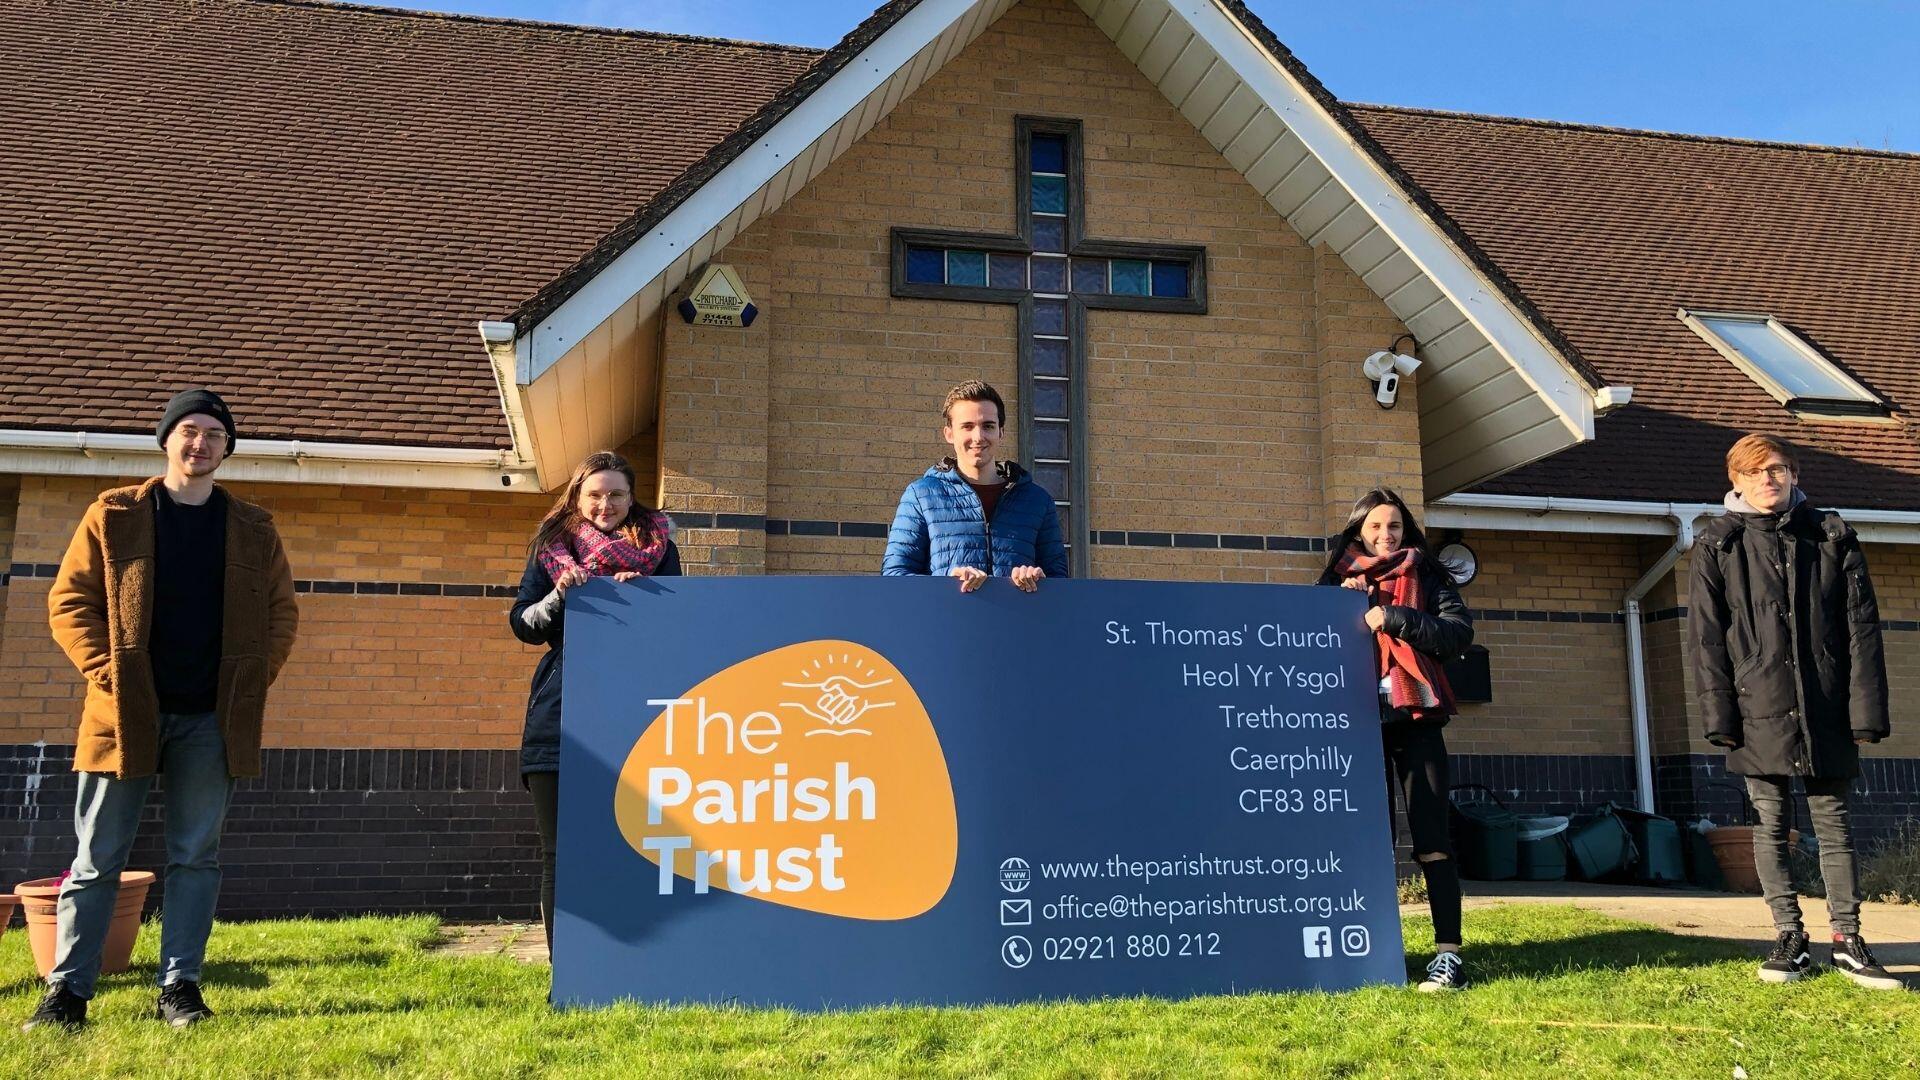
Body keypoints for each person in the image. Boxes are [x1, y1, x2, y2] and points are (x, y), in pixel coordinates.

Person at [25, 389, 298, 1032]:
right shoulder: (114, 513)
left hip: (212, 721)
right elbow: (70, 602)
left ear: (227, 448)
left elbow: (281, 614)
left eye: (213, 434)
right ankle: (67, 993)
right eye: (189, 430)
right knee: (97, 858)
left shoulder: (254, 527)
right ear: (167, 440)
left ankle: (180, 986)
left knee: (196, 857)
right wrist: (109, 674)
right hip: (122, 715)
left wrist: (252, 682)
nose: (200, 442)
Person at [1690, 434, 1899, 989]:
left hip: (1827, 705)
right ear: (1736, 480)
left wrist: (1866, 713)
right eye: (1755, 472)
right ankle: (1789, 937)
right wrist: (1719, 719)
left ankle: (1848, 939)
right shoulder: (1717, 544)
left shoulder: (1832, 536)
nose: (1768, 480)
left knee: (1834, 825)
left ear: (1794, 474)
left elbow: (1862, 630)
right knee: (1770, 824)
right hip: (1755, 706)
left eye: (1778, 469)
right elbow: (1707, 641)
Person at [509, 451, 680, 951]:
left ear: (632, 497)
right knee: (560, 854)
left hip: (634, 714)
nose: (606, 505)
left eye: (616, 494)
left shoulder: (659, 547)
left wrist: (647, 596)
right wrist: (560, 594)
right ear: (578, 498)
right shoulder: (551, 546)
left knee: (628, 849)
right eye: (595, 495)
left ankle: (623, 965)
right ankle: (565, 972)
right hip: (560, 714)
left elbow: (680, 622)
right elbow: (523, 623)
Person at [1318, 488, 1473, 991]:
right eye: (1376, 526)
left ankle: (1448, 956)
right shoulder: (1337, 579)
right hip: (1355, 724)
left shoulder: (1426, 575)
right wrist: (1340, 608)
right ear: (1358, 531)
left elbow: (1457, 634)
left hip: (1416, 718)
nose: (1386, 535)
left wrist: (1394, 618)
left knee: (1432, 840)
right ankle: (1375, 956)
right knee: (1368, 843)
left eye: (1395, 526)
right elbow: (1307, 643)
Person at [882, 379, 1069, 590]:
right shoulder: (921, 496)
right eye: (967, 427)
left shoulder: (1037, 501)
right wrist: (945, 583)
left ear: (1001, 432)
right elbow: (894, 576)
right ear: (949, 434)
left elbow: (1059, 582)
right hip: (946, 612)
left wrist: (1039, 580)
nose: (978, 437)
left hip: (1018, 613)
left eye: (988, 426)